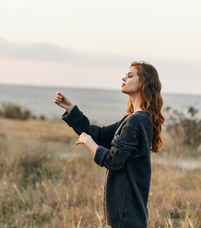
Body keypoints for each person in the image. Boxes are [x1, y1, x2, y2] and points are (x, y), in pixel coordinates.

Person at [54, 61, 164, 228]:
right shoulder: (134, 118)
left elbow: (113, 161)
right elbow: (100, 135)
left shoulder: (136, 121)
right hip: (129, 213)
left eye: (130, 75)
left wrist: (88, 142)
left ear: (144, 82)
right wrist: (71, 109)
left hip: (126, 213)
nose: (124, 78)